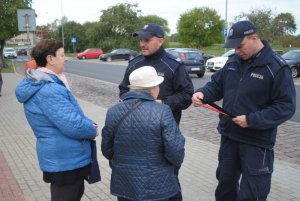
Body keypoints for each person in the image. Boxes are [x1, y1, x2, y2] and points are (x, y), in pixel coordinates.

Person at [192, 21, 296, 201]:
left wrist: (251, 120)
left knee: (252, 193)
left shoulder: (277, 67)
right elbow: (216, 85)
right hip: (229, 137)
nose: (237, 51)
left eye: (240, 46)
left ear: (254, 38)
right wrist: (203, 93)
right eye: (234, 47)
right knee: (225, 187)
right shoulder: (233, 61)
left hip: (256, 143)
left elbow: (286, 107)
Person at [15, 39, 98, 201]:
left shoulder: (44, 83)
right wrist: (92, 129)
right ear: (50, 59)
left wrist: (87, 123)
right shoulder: (49, 89)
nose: (65, 58)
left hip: (64, 157)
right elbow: (72, 124)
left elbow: (70, 114)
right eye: (62, 55)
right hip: (65, 160)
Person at [119, 23, 193, 200]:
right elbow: (123, 90)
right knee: (135, 184)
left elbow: (187, 95)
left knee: (169, 183)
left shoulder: (173, 66)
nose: (142, 44)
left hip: (165, 138)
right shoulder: (134, 64)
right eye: (141, 40)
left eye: (147, 40)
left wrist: (163, 103)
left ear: (160, 41)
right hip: (136, 137)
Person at [102, 66, 185, 201]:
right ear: (153, 88)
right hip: (158, 186)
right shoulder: (163, 111)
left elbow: (106, 150)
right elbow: (176, 153)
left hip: (125, 185)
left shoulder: (113, 111)